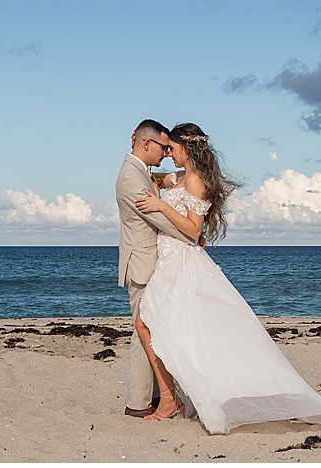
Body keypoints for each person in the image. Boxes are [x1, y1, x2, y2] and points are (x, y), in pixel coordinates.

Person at [133, 122, 321, 435]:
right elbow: (155, 178)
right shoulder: (181, 177)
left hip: (181, 262)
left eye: (172, 148)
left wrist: (160, 205)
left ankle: (171, 401)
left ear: (187, 148)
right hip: (169, 260)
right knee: (165, 327)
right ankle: (178, 397)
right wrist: (139, 161)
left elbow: (194, 230)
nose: (169, 154)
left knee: (149, 323)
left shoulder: (196, 179)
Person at [116, 119, 197, 418]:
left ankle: (153, 396)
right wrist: (190, 233)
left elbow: (169, 180)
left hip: (154, 260)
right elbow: (158, 219)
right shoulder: (130, 177)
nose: (165, 153)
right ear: (147, 144)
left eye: (170, 149)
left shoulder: (142, 172)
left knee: (151, 329)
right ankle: (138, 403)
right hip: (142, 262)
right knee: (143, 329)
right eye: (163, 147)